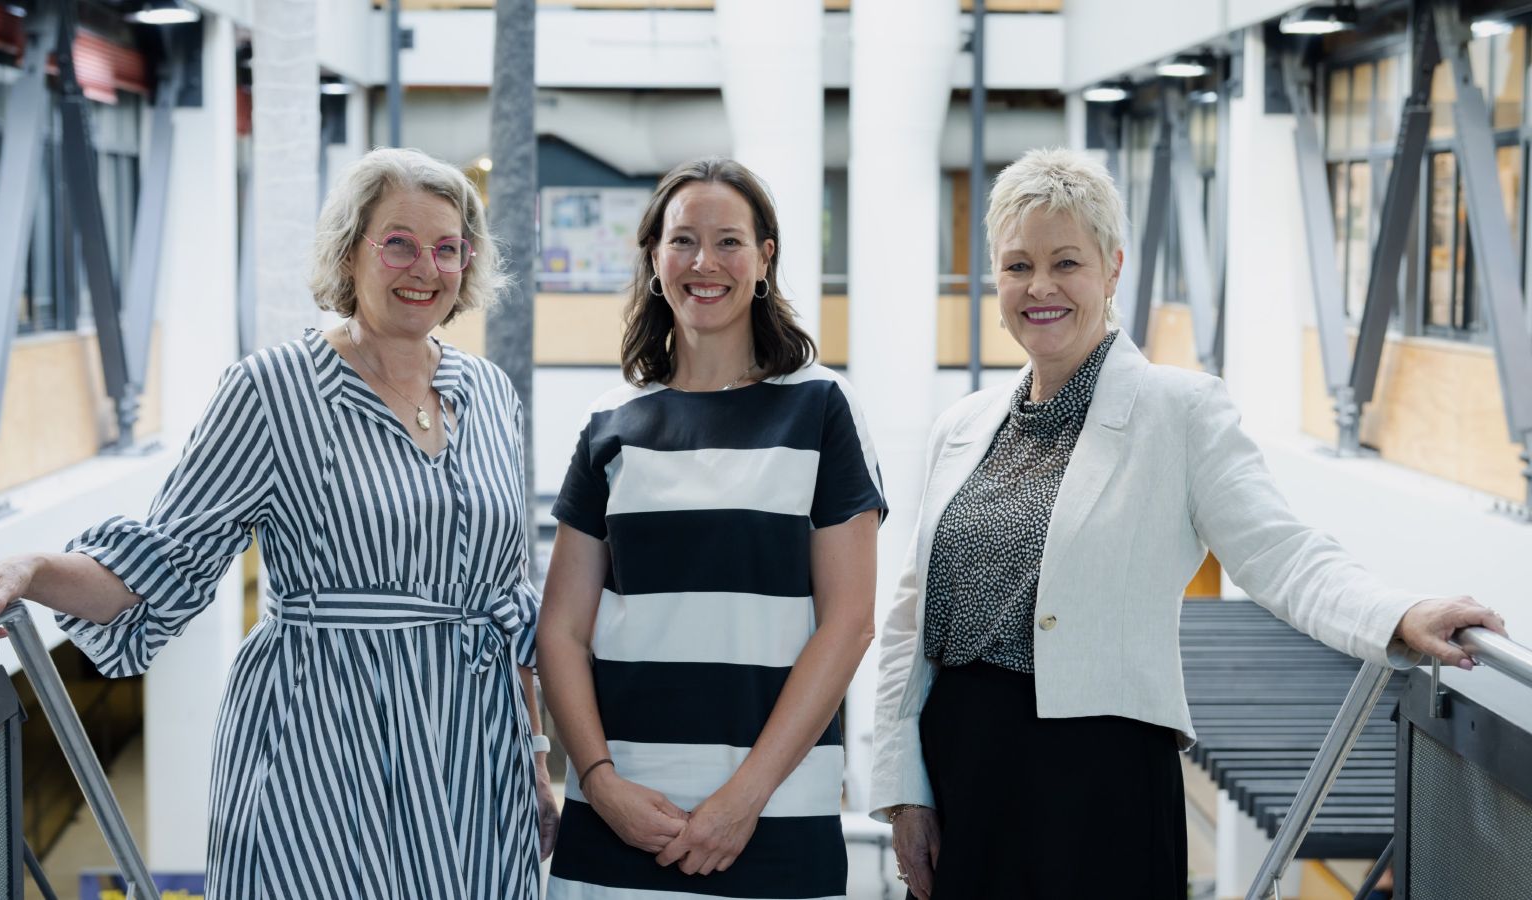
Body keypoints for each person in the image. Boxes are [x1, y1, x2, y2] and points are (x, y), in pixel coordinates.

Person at [870, 147, 1508, 899]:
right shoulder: (962, 426)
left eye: (1066, 262)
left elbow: (1281, 553)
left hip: (1098, 774)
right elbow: (912, 623)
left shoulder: (1180, 410)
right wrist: (904, 785)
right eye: (1017, 266)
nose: (1040, 287)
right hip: (961, 766)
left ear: (1111, 269)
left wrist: (1397, 613)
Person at [0, 147, 558, 899]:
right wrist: (35, 572)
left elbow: (507, 598)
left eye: (447, 248)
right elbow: (160, 564)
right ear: (349, 251)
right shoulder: (273, 390)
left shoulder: (489, 392)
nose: (423, 268)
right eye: (397, 242)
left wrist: (535, 761)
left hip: (472, 751)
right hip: (328, 749)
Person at [538, 156, 885, 900]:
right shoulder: (611, 421)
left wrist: (743, 799)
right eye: (683, 240)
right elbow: (562, 630)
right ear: (655, 260)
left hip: (774, 813)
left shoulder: (822, 408)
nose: (704, 262)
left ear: (764, 259)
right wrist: (598, 785)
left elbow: (850, 622)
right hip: (621, 818)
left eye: (728, 241)